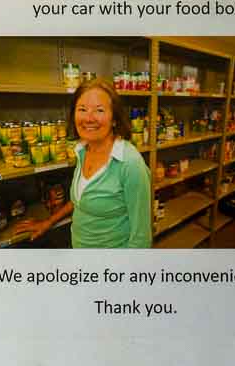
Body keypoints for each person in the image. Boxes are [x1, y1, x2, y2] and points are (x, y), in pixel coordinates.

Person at [14, 79, 152, 248]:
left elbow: (142, 239)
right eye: (82, 109)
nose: (89, 118)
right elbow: (79, 200)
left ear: (114, 119)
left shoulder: (129, 163)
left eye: (99, 110)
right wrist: (48, 222)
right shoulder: (82, 150)